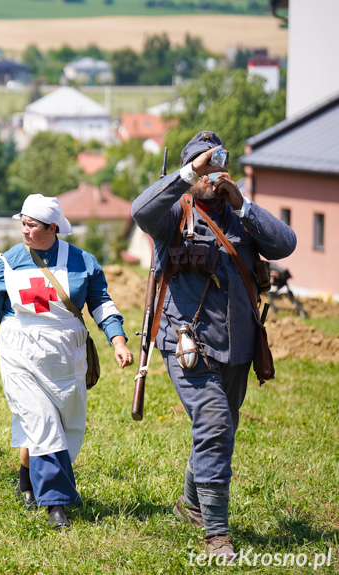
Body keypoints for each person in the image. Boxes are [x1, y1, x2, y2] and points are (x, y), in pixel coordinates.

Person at [131, 131, 296, 559]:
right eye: (204, 168)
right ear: (190, 172)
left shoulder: (242, 216)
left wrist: (244, 205)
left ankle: (190, 502)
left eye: (217, 165)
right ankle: (216, 533)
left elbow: (286, 244)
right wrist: (188, 176)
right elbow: (139, 210)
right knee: (216, 423)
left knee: (218, 428)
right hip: (187, 344)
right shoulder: (172, 214)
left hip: (238, 344)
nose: (213, 175)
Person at [0, 194, 132, 528]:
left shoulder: (83, 262)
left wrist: (118, 341)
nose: (24, 230)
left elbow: (102, 305)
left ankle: (26, 479)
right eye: (21, 223)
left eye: (31, 225)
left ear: (52, 227)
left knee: (65, 427)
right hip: (19, 352)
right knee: (43, 422)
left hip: (66, 356)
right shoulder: (6, 263)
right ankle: (57, 505)